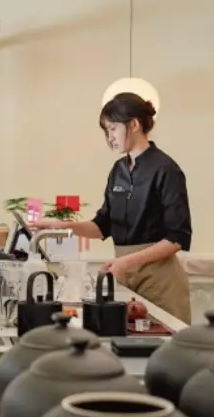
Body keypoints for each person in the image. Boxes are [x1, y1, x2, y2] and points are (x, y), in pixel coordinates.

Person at [35, 92, 193, 323]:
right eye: (106, 131)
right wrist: (62, 226)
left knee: (161, 340)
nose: (109, 137)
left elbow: (178, 238)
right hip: (125, 274)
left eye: (112, 128)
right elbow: (102, 225)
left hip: (160, 279)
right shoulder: (119, 170)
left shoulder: (166, 169)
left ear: (134, 125)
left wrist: (127, 261)